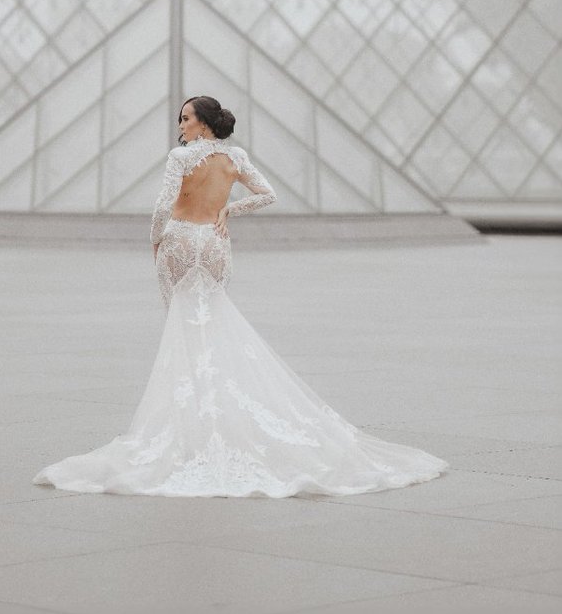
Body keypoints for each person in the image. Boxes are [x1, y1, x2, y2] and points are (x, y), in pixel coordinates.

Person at [33, 96, 449, 497]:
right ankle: (222, 420)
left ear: (204, 124)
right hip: (216, 246)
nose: (181, 125)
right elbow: (268, 194)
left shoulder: (180, 158)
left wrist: (155, 240)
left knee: (181, 332)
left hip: (179, 242)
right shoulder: (235, 158)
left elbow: (162, 206)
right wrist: (228, 210)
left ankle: (192, 426)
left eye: (186, 118)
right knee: (213, 328)